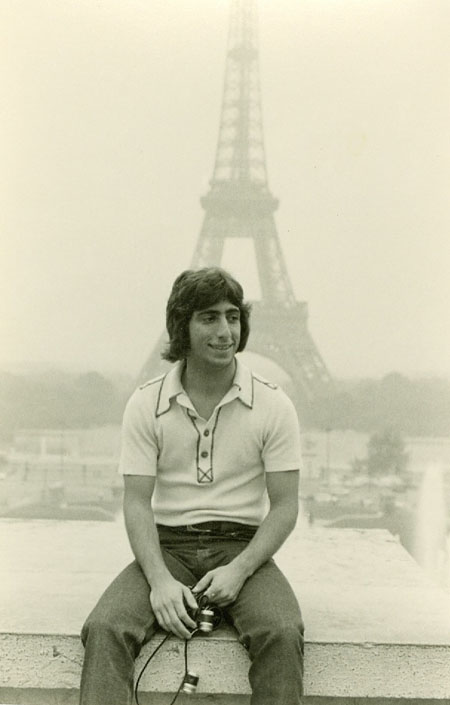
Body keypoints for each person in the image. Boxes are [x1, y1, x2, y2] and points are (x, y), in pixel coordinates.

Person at [80, 267, 304, 705]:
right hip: (167, 548)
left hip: (244, 548)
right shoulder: (146, 403)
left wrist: (239, 571)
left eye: (233, 317)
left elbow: (284, 507)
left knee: (281, 631)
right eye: (209, 318)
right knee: (105, 627)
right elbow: (138, 503)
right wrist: (160, 582)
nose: (225, 332)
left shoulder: (274, 404)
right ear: (181, 326)